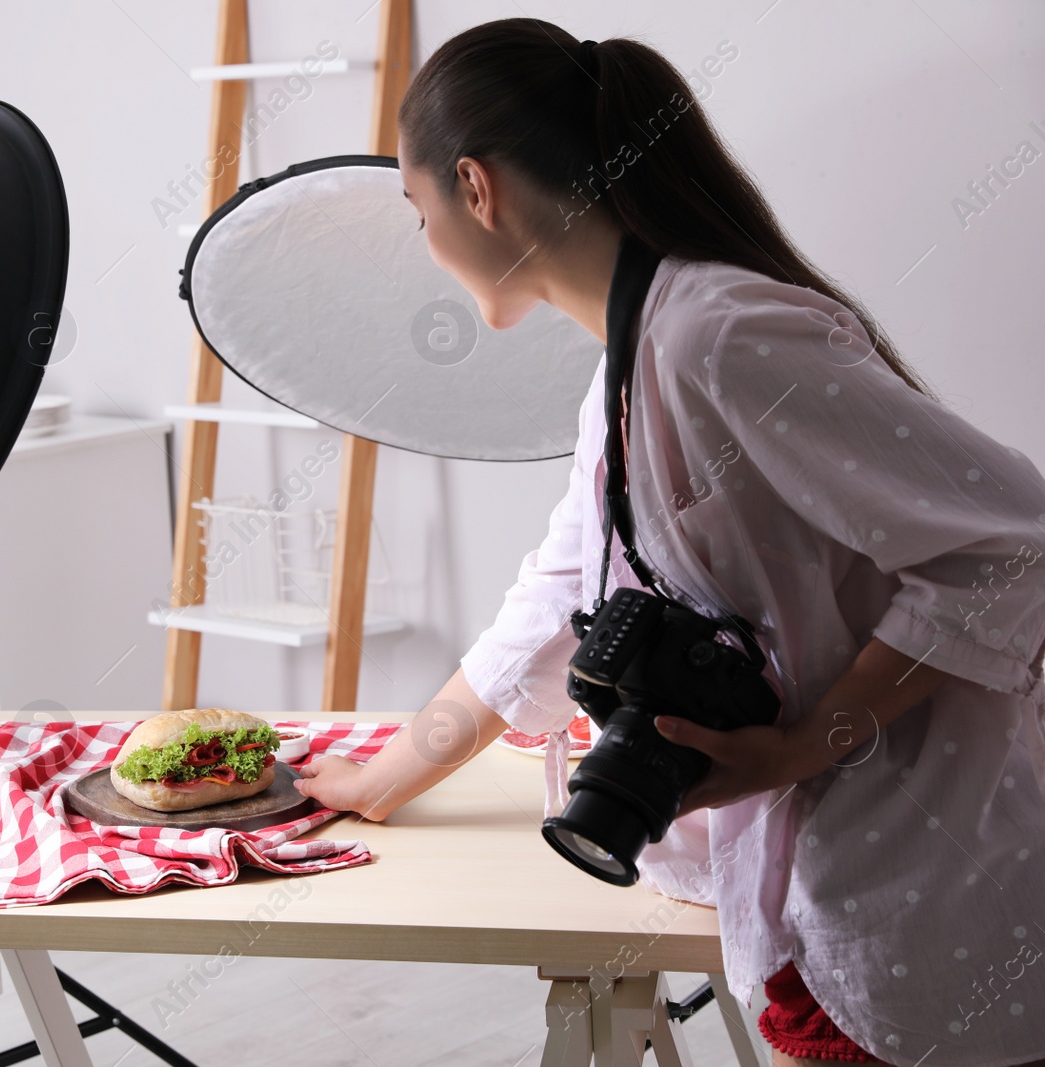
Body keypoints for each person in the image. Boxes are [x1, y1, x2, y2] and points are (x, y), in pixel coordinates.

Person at [290, 19, 1045, 1067]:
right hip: (808, 897)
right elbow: (565, 584)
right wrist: (395, 770)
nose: (425, 246)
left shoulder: (717, 334)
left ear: (475, 188)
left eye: (418, 213)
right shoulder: (637, 347)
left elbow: (1013, 541)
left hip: (910, 880)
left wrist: (802, 742)